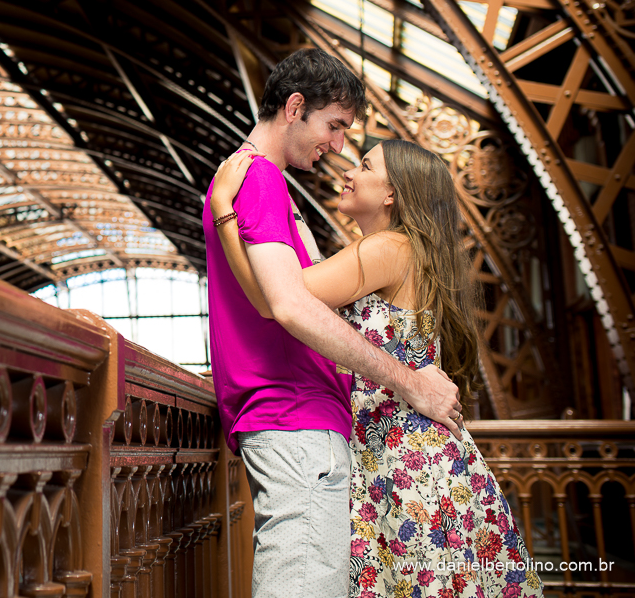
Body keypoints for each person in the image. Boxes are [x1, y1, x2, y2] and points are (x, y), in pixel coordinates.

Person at [212, 140, 543, 598]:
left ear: (392, 193)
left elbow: (280, 297)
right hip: (415, 456)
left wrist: (224, 215)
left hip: (404, 461)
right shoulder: (400, 250)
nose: (349, 172)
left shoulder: (386, 249)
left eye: (365, 166)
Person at [204, 49, 463, 598]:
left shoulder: (253, 182)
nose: (340, 147)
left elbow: (284, 297)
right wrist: (410, 380)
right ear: (295, 107)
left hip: (299, 421)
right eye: (335, 125)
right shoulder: (261, 180)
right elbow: (289, 304)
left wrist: (228, 216)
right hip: (296, 420)